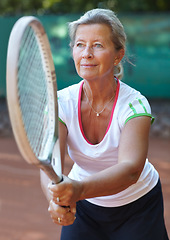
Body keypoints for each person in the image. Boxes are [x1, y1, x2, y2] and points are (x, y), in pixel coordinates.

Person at [41, 8, 169, 240]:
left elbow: (131, 170)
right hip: (84, 209)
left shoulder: (134, 105)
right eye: (80, 44)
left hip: (138, 207)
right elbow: (51, 165)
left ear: (118, 55)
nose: (87, 53)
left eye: (98, 45)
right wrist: (55, 199)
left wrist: (77, 190)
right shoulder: (60, 103)